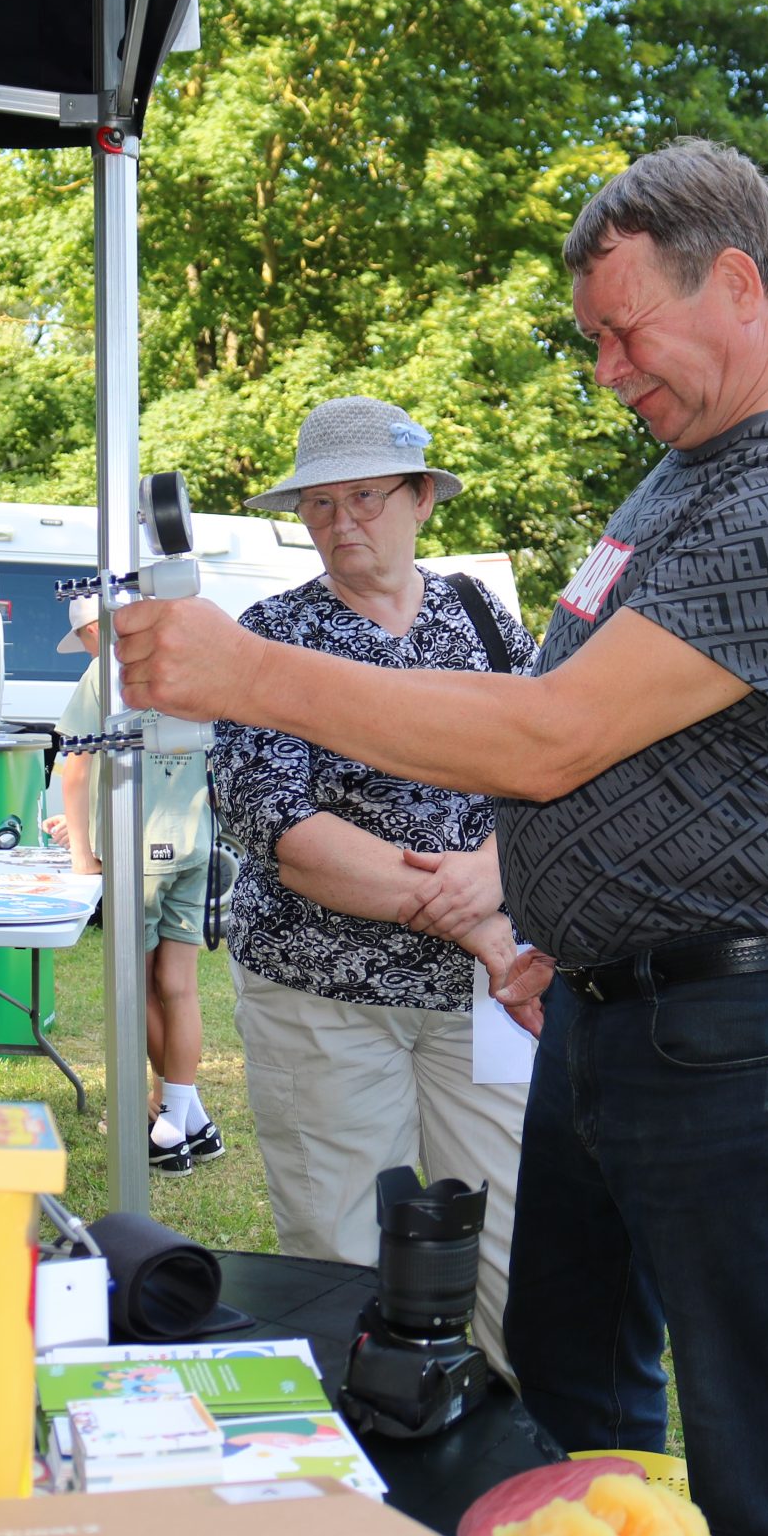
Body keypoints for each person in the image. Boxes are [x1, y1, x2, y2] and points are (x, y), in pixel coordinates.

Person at [113, 141, 768, 1536]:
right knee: (576, 1405)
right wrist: (556, 909)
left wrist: (246, 672)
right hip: (615, 1005)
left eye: (625, 332)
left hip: (741, 1026)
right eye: (593, 341)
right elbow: (597, 729)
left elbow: (548, 736)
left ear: (737, 283)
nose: (608, 371)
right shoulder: (691, 473)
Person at [206, 396, 538, 1381]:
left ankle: (504, 1448)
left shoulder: (484, 620)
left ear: (421, 498)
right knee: (341, 1254)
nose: (342, 521)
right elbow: (285, 836)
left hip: (479, 1004)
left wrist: (493, 873)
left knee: (514, 1251)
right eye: (319, 504)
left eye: (365, 497)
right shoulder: (269, 639)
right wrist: (475, 918)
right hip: (325, 1001)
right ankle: (359, 1449)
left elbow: (550, 771)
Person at [53, 594, 219, 1174]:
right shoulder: (191, 657)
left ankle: (169, 1130)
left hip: (138, 849)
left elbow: (76, 763)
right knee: (181, 987)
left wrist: (81, 850)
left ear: (94, 629)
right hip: (194, 840)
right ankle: (188, 1117)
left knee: (141, 987)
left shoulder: (107, 669)